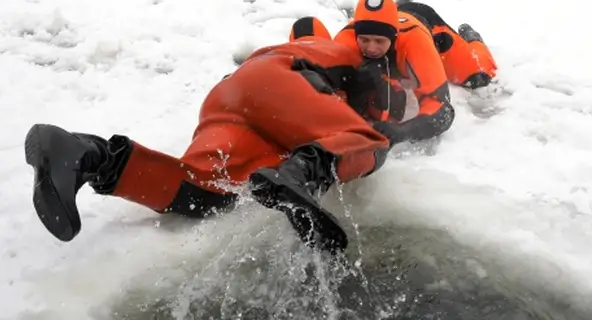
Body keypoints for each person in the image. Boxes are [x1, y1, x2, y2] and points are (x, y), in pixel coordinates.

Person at [24, 38, 395, 254]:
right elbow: (363, 116)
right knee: (371, 143)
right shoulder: (351, 58)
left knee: (206, 191)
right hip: (283, 84)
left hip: (228, 97)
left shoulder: (300, 45)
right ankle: (305, 174)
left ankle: (89, 155)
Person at [290, 0, 456, 147]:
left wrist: (403, 131)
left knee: (476, 76)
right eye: (364, 40)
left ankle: (470, 35)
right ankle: (400, 3)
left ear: (393, 37)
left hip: (423, 19)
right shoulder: (345, 42)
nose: (371, 48)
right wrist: (355, 89)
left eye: (379, 41)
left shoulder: (416, 44)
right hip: (393, 23)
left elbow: (444, 110)